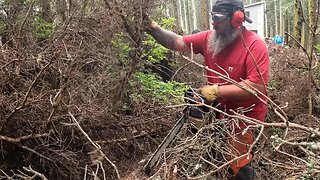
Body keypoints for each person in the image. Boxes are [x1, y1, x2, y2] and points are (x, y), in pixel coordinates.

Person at [145, 0, 269, 179]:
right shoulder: (209, 38)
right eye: (212, 16)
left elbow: (256, 87)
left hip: (245, 116)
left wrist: (215, 91)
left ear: (237, 19)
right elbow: (177, 42)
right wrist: (152, 28)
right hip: (221, 109)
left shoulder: (255, 45)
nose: (213, 22)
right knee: (196, 105)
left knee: (237, 162)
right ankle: (213, 155)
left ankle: (240, 170)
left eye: (218, 18)